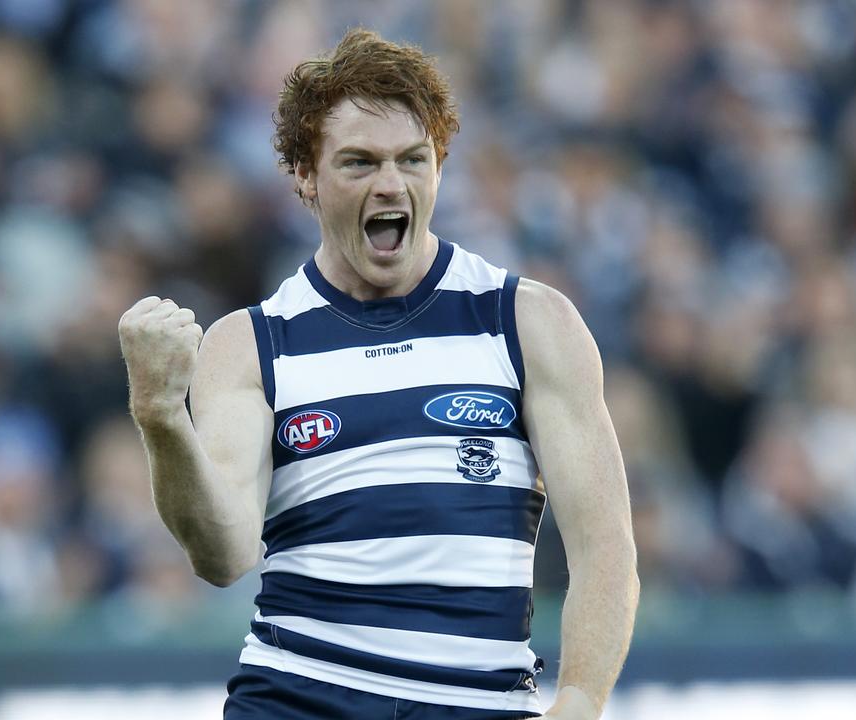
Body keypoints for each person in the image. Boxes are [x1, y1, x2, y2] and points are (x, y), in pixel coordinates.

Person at [118, 29, 638, 720]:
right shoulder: (251, 343)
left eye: (412, 160)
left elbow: (605, 549)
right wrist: (159, 417)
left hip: (474, 705)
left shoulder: (528, 322)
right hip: (298, 698)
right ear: (306, 173)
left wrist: (579, 702)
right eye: (359, 163)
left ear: (440, 165)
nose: (391, 184)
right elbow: (223, 553)